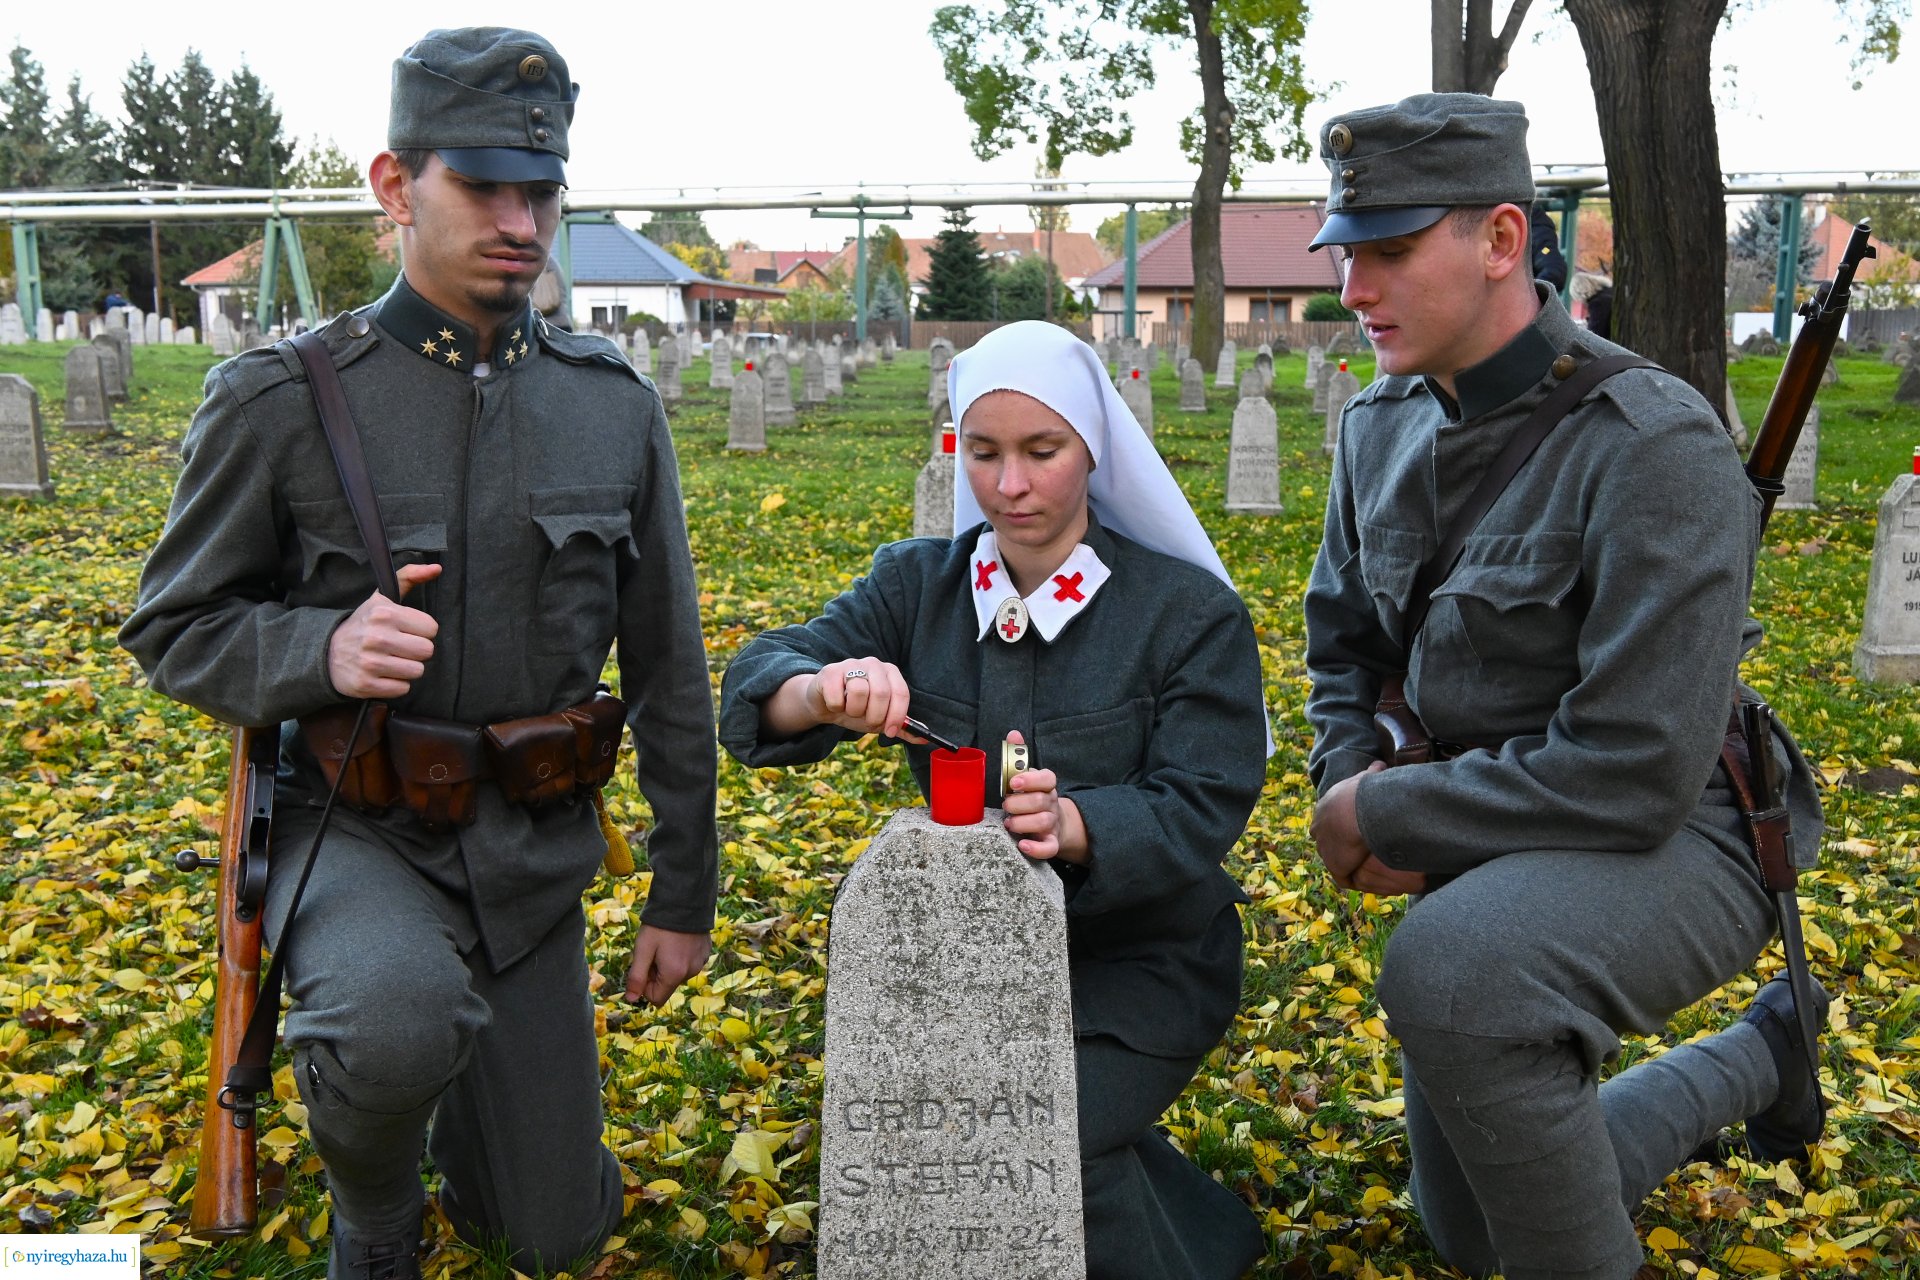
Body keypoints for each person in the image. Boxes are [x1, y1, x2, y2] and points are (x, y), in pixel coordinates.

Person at [119, 27, 718, 1280]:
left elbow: (668, 660)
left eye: (540, 190)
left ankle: (468, 1107)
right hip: (359, 826)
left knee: (552, 1233)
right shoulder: (281, 398)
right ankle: (377, 1196)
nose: (521, 219)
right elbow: (173, 624)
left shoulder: (611, 405)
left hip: (530, 846)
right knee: (392, 1023)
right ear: (396, 187)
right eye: (483, 185)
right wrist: (320, 645)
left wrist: (682, 887)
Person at [1301, 93, 1827, 1280]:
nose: (1353, 291)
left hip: (1688, 829)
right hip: (1494, 825)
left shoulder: (1653, 443)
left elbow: (1637, 767)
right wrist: (1352, 773)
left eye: (1389, 252)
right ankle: (1763, 1060)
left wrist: (1391, 816)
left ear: (1499, 240)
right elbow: (1344, 643)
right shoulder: (1377, 426)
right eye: (1349, 254)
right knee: (1475, 1230)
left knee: (1451, 966)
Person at [719, 319, 1269, 1280]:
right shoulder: (917, 586)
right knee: (940, 1131)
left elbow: (1205, 799)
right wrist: (821, 689)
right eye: (983, 453)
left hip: (1141, 967)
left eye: (1040, 452)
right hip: (959, 968)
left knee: (1037, 1137)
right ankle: (1203, 1231)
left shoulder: (1186, 615)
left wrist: (1081, 825)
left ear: (1091, 450)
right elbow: (764, 673)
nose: (1008, 485)